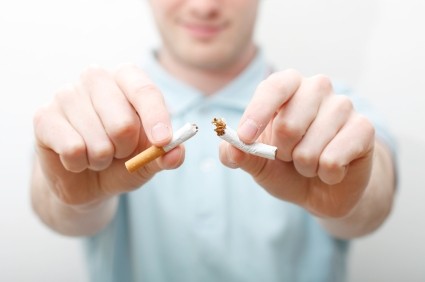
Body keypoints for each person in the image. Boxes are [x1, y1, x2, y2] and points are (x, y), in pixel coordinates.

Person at [30, 1, 397, 281]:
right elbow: (53, 199)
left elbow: (373, 193)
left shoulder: (335, 110)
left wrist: (350, 191)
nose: (204, 7)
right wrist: (71, 198)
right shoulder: (93, 114)